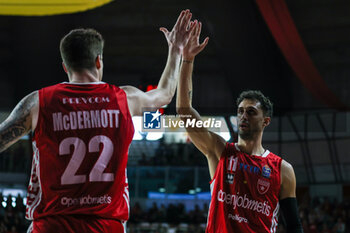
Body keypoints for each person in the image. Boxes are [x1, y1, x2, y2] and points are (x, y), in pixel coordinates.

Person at [0, 9, 197, 233]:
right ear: (98, 61)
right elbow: (164, 94)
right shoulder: (124, 98)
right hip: (106, 226)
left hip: (52, 225)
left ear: (65, 66)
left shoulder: (38, 102)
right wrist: (175, 50)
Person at [176, 21, 303, 232]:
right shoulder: (220, 151)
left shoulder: (283, 170)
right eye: (240, 111)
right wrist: (187, 60)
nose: (243, 115)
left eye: (251, 112)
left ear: (266, 121)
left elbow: (294, 226)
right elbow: (184, 111)